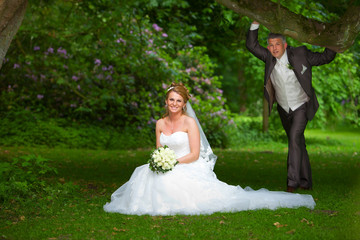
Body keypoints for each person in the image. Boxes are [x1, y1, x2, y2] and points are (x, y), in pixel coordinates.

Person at [103, 83, 316, 215]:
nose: (174, 104)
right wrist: (160, 162)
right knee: (145, 175)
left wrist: (173, 163)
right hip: (166, 164)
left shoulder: (189, 123)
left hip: (187, 163)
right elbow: (158, 151)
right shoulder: (159, 124)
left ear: (184, 104)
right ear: (166, 101)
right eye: (171, 100)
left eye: (178, 100)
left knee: (172, 182)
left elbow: (195, 154)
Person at [246, 21, 337, 192]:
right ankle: (306, 181)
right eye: (271, 45)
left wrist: (330, 38)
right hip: (283, 108)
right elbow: (251, 45)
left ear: (285, 45)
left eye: (277, 44)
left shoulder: (300, 53)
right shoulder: (268, 57)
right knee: (298, 143)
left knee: (294, 139)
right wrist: (255, 23)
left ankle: (292, 183)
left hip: (301, 105)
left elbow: (325, 57)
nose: (274, 48)